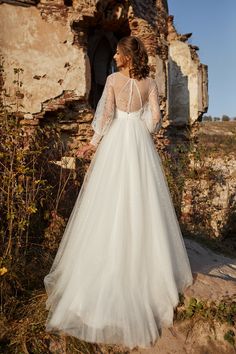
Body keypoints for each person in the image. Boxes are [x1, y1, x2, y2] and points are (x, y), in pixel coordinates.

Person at [44, 36, 193, 350]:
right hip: (138, 144)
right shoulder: (150, 83)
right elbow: (155, 119)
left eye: (117, 51)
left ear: (126, 56)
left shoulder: (112, 79)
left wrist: (93, 144)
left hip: (115, 143)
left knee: (107, 202)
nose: (114, 54)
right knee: (142, 201)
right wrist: (140, 130)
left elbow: (104, 118)